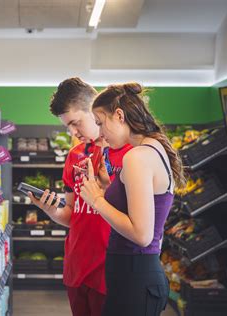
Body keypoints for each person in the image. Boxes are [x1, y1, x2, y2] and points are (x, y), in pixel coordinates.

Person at [79, 82, 186, 316]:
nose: (99, 133)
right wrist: (108, 188)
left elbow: (141, 234)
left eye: (100, 123)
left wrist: (97, 200)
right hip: (137, 276)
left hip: (134, 276)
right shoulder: (152, 148)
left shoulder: (137, 156)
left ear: (119, 115)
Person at [28, 77, 132, 316]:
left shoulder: (129, 154)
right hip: (77, 269)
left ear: (95, 111)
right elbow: (72, 216)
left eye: (76, 123)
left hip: (111, 272)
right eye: (68, 127)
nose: (73, 132)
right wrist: (50, 209)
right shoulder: (74, 155)